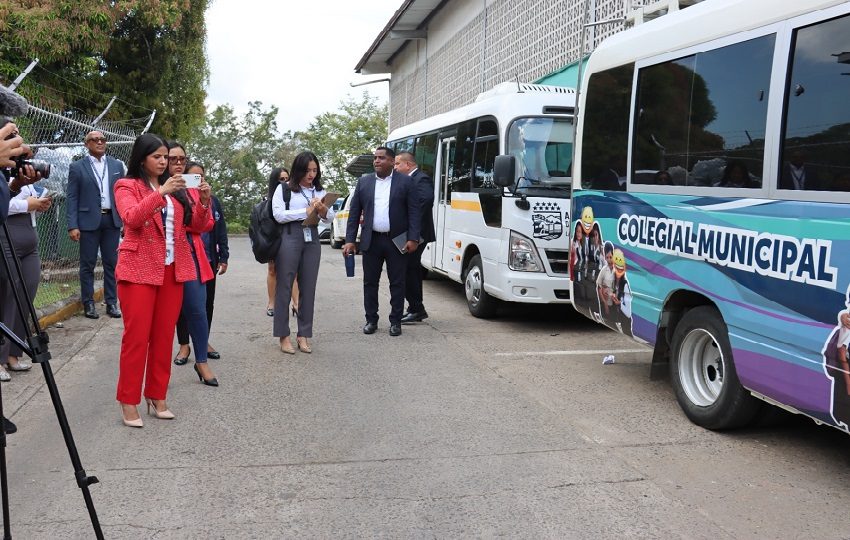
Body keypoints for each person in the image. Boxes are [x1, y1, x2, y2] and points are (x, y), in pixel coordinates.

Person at [113, 133, 212, 427]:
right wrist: (161, 193)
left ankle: (157, 396)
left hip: (172, 269)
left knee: (163, 336)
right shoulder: (126, 185)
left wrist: (204, 202)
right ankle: (128, 400)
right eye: (157, 156)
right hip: (138, 270)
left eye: (166, 157)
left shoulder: (179, 190)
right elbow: (131, 218)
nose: (163, 161)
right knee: (136, 338)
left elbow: (197, 226)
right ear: (142, 158)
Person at [343, 147, 420, 337]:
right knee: (370, 282)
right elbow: (354, 213)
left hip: (397, 241)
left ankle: (395, 322)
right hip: (372, 240)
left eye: (382, 158)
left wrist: (413, 238)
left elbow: (414, 212)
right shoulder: (364, 182)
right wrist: (350, 240)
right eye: (375, 158)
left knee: (397, 283)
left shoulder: (406, 182)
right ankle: (371, 320)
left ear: (392, 162)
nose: (377, 161)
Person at [272, 151, 335, 354]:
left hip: (312, 238)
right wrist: (305, 212)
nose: (311, 175)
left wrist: (323, 210)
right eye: (307, 170)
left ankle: (303, 334)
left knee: (308, 287)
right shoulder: (284, 189)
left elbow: (330, 217)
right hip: (290, 237)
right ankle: (283, 336)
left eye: (315, 170)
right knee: (285, 286)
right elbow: (279, 215)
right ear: (298, 169)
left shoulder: (319, 189)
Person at [166, 149, 218, 386]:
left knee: (197, 308)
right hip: (161, 254)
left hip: (189, 252)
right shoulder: (153, 186)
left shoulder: (191, 191)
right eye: (171, 158)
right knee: (166, 314)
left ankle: (201, 361)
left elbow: (202, 225)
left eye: (182, 159)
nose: (177, 163)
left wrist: (204, 201)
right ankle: (175, 354)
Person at [66, 130, 125, 319]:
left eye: (102, 139)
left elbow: (122, 194)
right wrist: (72, 225)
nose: (100, 142)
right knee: (87, 264)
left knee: (112, 263)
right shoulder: (77, 167)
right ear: (87, 144)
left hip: (111, 220)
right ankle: (88, 303)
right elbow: (72, 197)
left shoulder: (117, 165)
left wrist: (124, 219)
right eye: (95, 140)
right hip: (87, 222)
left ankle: (111, 302)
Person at [0, 167, 51, 382]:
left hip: (29, 237)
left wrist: (39, 204)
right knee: (8, 295)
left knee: (26, 294)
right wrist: (26, 204)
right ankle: (0, 359)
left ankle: (13, 353)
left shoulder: (23, 170)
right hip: (6, 234)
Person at [393, 152, 435, 324]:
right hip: (409, 233)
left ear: (408, 165)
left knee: (409, 269)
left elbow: (426, 200)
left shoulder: (420, 179)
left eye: (397, 164)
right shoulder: (407, 180)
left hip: (417, 234)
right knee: (411, 269)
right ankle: (415, 308)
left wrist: (413, 231)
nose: (394, 167)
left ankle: (417, 308)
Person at [265, 167, 299, 319]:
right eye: (281, 179)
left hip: (290, 237)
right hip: (273, 239)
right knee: (273, 270)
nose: (285, 182)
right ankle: (271, 302)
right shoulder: (267, 201)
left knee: (294, 272)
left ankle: (296, 304)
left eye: (287, 179)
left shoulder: (294, 197)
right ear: (275, 181)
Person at [203, 184, 229, 360]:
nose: (198, 181)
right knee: (184, 307)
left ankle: (204, 342)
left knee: (207, 304)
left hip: (209, 259)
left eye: (201, 176)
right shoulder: (180, 199)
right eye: (193, 176)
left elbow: (221, 230)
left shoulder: (213, 201)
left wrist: (224, 256)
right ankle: (184, 345)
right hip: (187, 261)